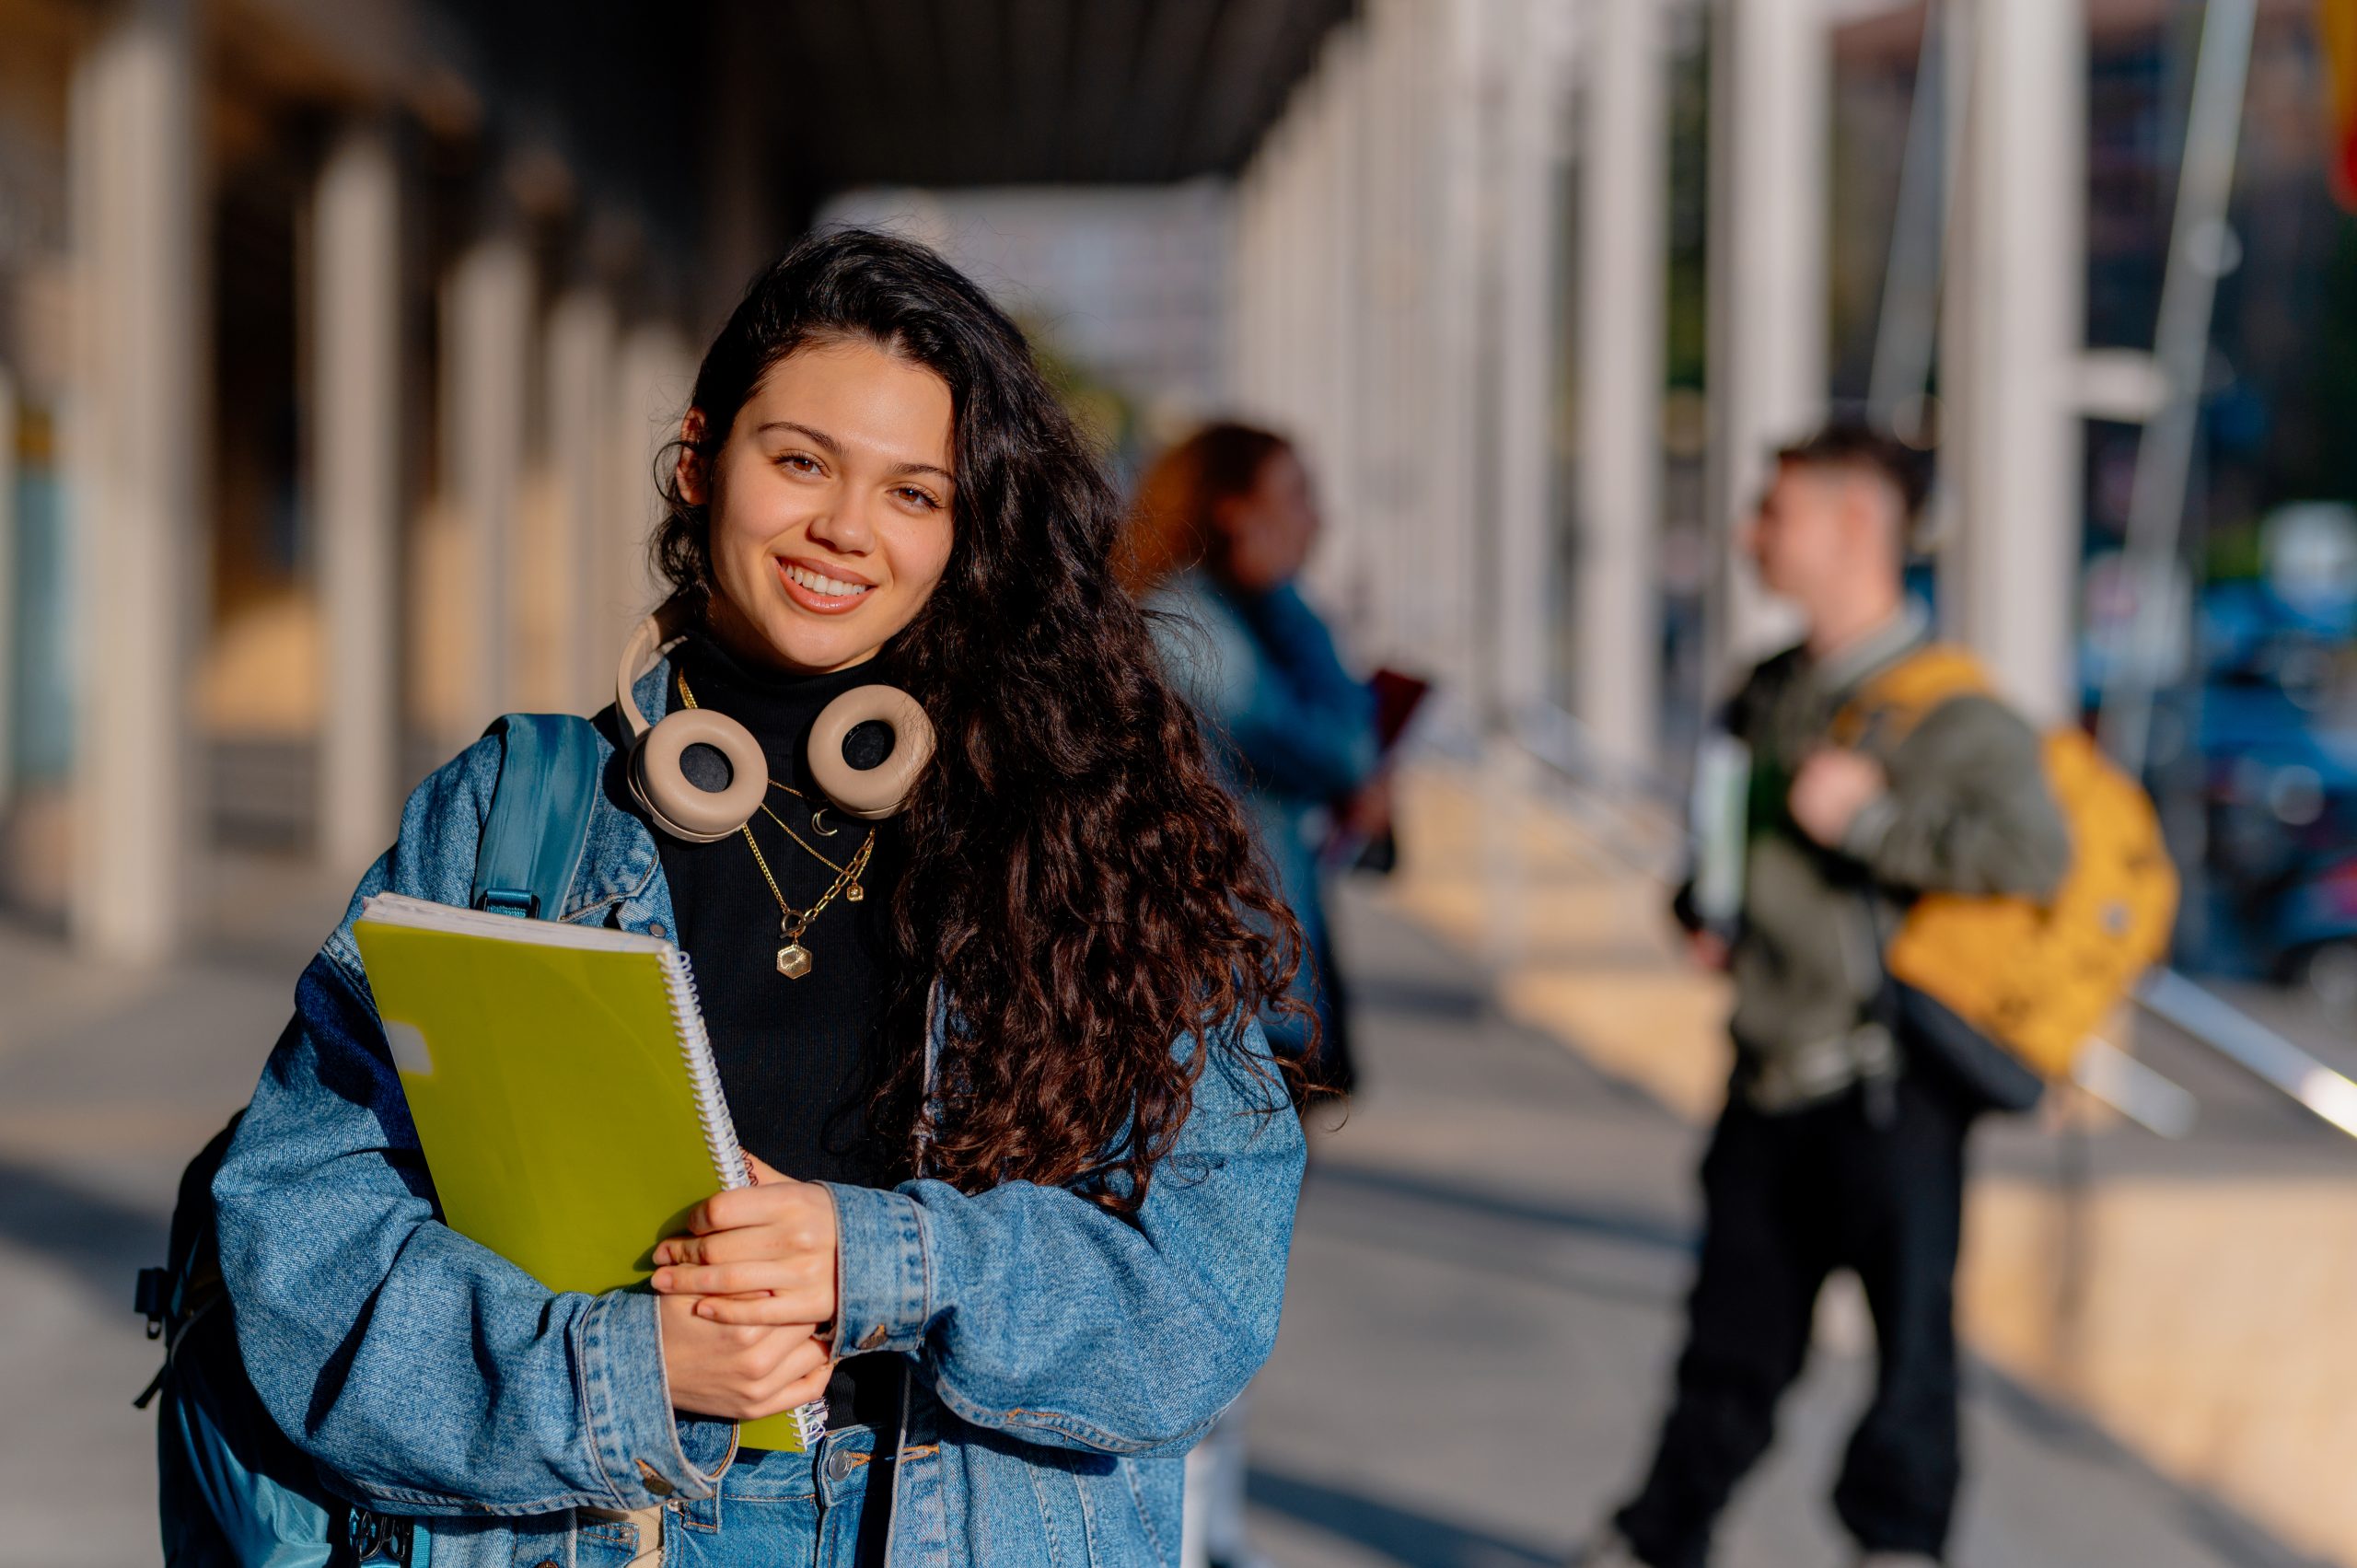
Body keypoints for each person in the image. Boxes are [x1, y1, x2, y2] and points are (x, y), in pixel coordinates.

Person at [210, 230, 1308, 1568]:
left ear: (969, 530)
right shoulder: (512, 811)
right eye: (801, 461)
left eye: (916, 493)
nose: (847, 528)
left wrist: (882, 1255)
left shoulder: (1090, 828)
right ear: (699, 456)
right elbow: (296, 1231)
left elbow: (1203, 1297)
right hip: (591, 1520)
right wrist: (622, 1365)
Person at [1577, 425, 2071, 1568]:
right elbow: (1720, 856)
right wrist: (1704, 907)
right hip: (1766, 1067)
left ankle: (1897, 1542)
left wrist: (1872, 823)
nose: (1752, 531)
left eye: (1773, 510)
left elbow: (2030, 855)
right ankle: (1661, 1534)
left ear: (1856, 524)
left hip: (1888, 1079)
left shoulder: (1957, 715)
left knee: (1910, 1353)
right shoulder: (1767, 690)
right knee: (1729, 1335)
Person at [1122, 422, 1380, 1098]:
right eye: (1296, 496)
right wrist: (1291, 600)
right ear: (1233, 511)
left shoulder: (1225, 621)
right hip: (1226, 995)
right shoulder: (1191, 630)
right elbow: (1343, 752)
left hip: (1253, 978)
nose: (1317, 519)